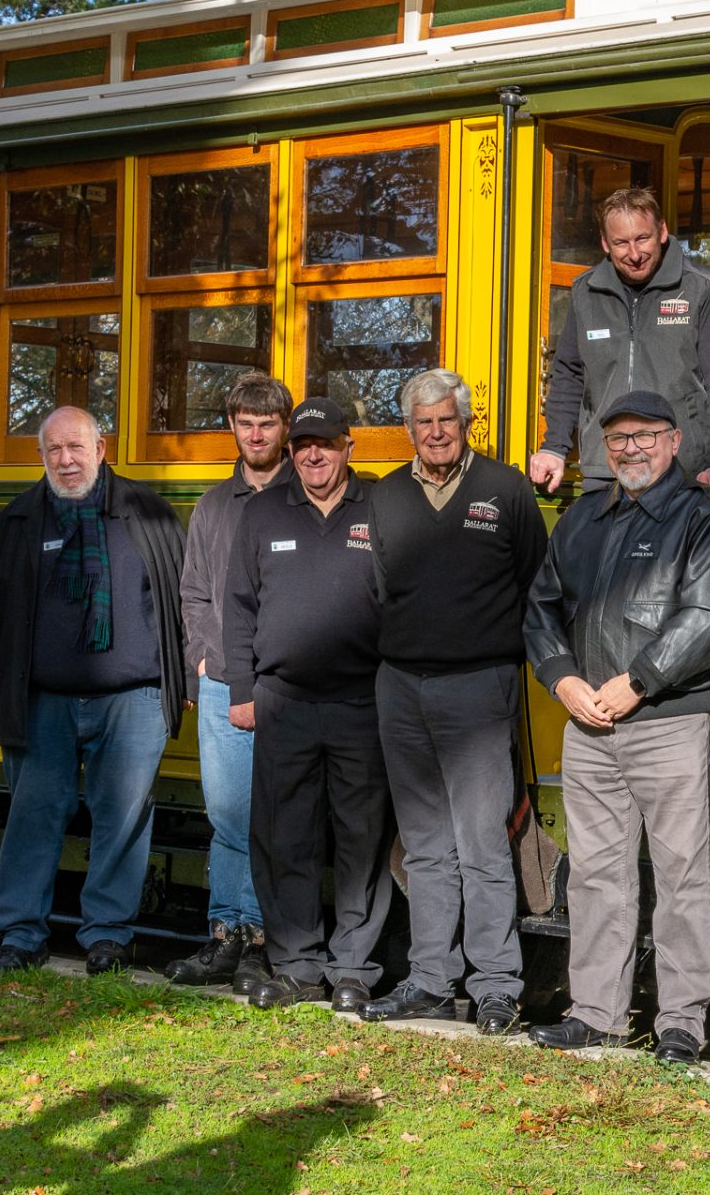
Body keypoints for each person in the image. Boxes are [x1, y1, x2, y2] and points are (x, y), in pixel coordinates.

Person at [522, 391, 710, 1064]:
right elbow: (540, 606)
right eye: (617, 438)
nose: (631, 449)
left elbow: (709, 616)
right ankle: (596, 1014)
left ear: (674, 442)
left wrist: (638, 681)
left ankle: (681, 1023)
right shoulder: (582, 518)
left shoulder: (705, 520)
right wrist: (562, 677)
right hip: (588, 724)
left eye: (645, 435)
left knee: (680, 876)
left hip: (669, 721)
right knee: (595, 874)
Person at [360, 369, 547, 1034]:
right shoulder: (382, 497)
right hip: (400, 685)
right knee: (425, 844)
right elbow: (375, 588)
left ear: (465, 423)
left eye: (446, 419)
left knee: (481, 843)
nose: (435, 431)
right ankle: (431, 981)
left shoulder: (505, 489)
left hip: (478, 686)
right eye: (423, 422)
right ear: (408, 428)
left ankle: (496, 984)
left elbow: (535, 579)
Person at [0, 407, 188, 975]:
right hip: (39, 698)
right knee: (33, 813)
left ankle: (107, 937)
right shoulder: (18, 522)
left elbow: (182, 602)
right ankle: (20, 936)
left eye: (76, 448)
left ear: (102, 449)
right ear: (41, 457)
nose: (66, 461)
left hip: (135, 697)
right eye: (53, 451)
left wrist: (183, 678)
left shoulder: (148, 514)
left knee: (123, 817)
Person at [222, 397, 394, 1014]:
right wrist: (242, 690)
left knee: (362, 839)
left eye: (325, 443)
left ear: (350, 447)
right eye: (302, 445)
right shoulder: (265, 511)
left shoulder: (380, 506)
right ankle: (296, 964)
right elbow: (238, 607)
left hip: (362, 702)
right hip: (283, 702)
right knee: (284, 835)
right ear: (291, 453)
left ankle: (353, 967)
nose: (313, 454)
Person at [168, 373, 295, 993]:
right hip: (221, 680)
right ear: (233, 429)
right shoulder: (214, 506)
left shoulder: (305, 495)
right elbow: (193, 591)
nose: (256, 434)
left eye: (266, 424)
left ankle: (271, 940)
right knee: (226, 814)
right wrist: (199, 657)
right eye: (245, 424)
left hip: (289, 683)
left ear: (284, 430)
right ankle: (229, 936)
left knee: (280, 814)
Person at [529, 187, 710, 491]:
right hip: (606, 470)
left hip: (680, 470)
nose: (634, 254)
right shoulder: (585, 292)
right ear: (605, 243)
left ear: (662, 231)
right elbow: (568, 373)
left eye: (642, 239)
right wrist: (554, 447)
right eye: (621, 243)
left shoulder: (702, 288)